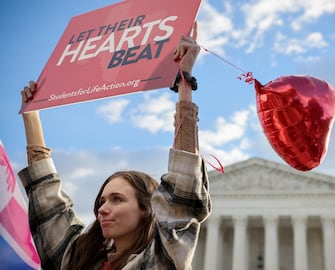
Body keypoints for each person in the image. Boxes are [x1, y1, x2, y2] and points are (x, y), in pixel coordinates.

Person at [18, 23, 211, 270]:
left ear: (147, 210)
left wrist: (184, 80)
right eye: (102, 201)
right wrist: (31, 113)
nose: (103, 210)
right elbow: (48, 204)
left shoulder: (158, 261)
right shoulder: (78, 259)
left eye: (117, 199)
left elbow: (181, 196)